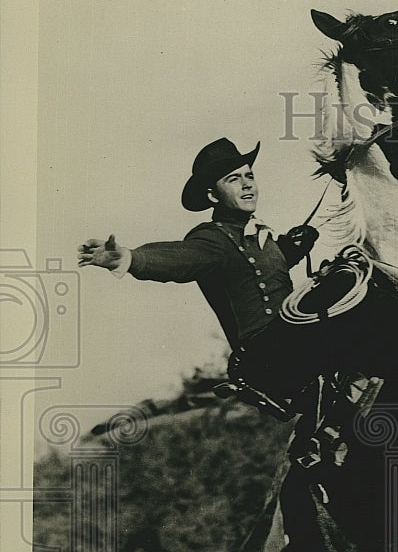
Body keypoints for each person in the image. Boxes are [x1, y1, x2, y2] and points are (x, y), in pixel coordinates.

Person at [77, 138, 319, 377]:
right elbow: (179, 258)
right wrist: (129, 257)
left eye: (249, 176)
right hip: (269, 354)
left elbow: (250, 272)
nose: (247, 185)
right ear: (213, 196)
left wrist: (290, 247)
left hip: (294, 338)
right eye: (234, 179)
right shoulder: (213, 239)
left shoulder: (253, 234)